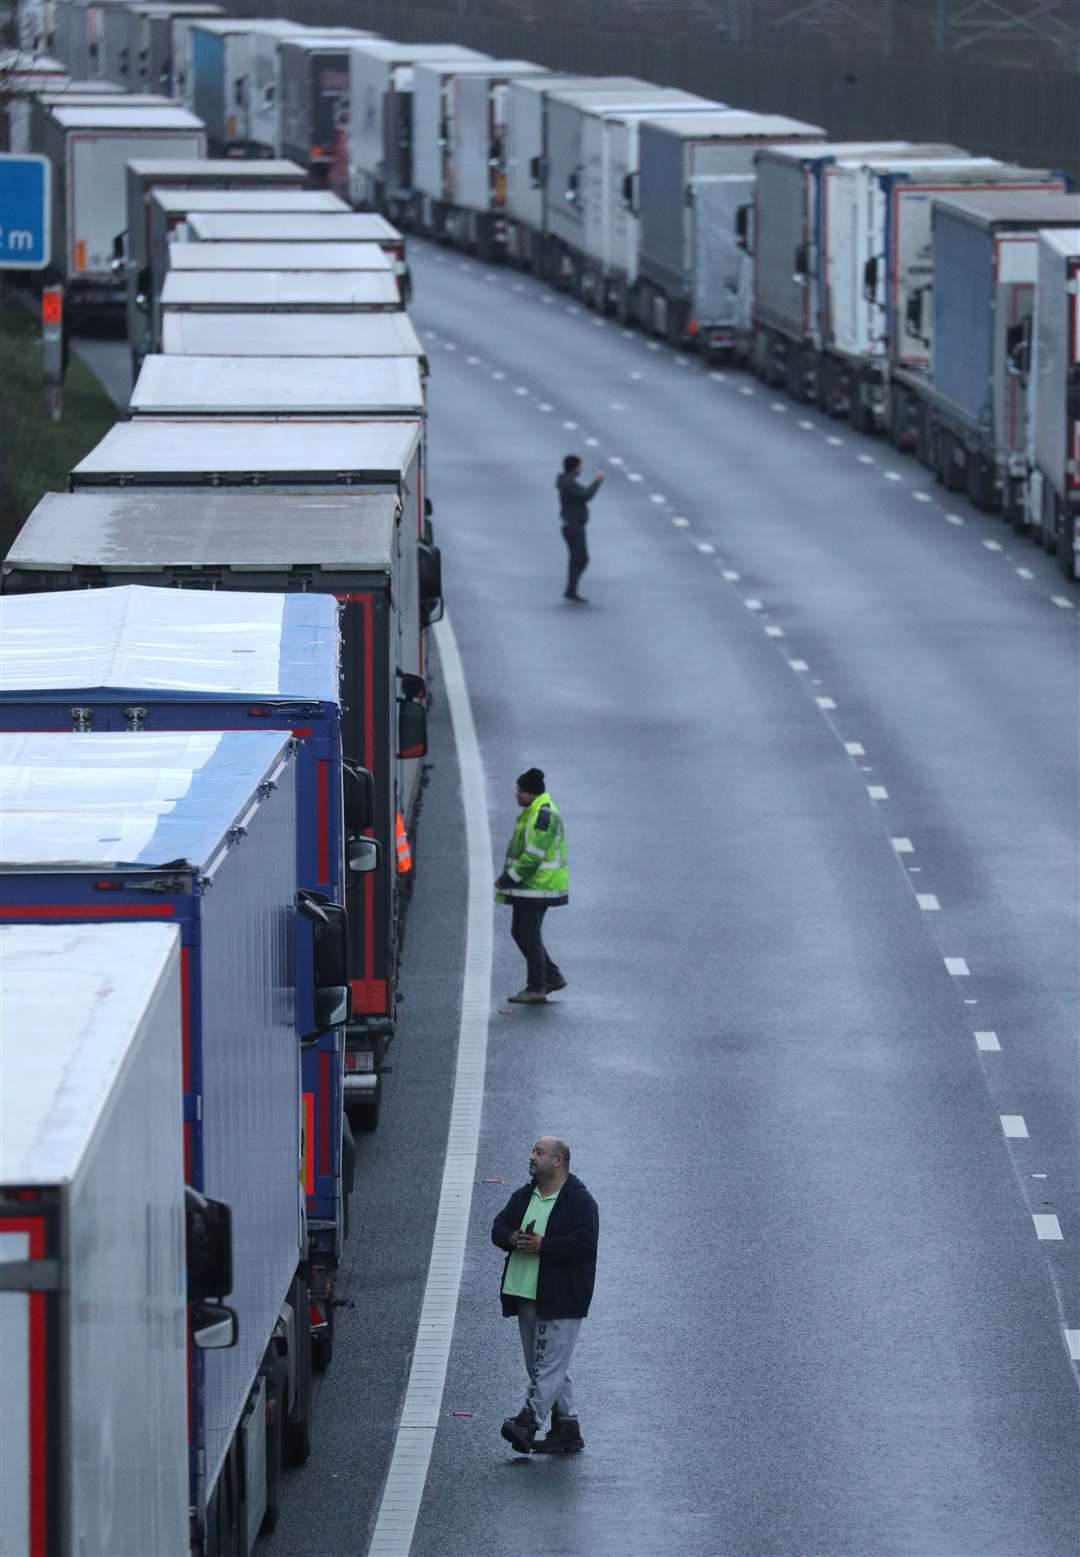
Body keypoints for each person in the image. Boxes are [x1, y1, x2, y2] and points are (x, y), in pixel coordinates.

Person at [492, 1136, 599, 1455]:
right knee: (542, 1365)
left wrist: (544, 1246)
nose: (532, 1156)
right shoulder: (527, 1196)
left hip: (561, 1298)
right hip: (525, 1292)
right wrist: (513, 1237)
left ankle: (528, 1421)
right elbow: (498, 1226)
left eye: (539, 1152)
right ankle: (567, 1426)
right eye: (532, 1151)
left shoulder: (579, 1201)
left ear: (558, 1161)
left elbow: (584, 1243)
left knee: (548, 1366)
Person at [495, 768, 568, 1004]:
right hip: (532, 886)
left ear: (531, 793)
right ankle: (552, 977)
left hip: (538, 886)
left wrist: (508, 878)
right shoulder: (534, 810)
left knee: (528, 935)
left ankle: (536, 987)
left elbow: (533, 857)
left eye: (520, 791)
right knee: (522, 933)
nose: (516, 794)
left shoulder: (542, 816)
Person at [557, 453, 605, 603]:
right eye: (579, 466)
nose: (581, 469)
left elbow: (582, 493)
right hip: (574, 526)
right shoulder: (569, 484)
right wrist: (598, 481)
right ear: (574, 466)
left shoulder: (567, 481)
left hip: (572, 525)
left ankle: (571, 590)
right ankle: (571, 588)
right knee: (581, 558)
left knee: (575, 559)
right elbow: (586, 495)